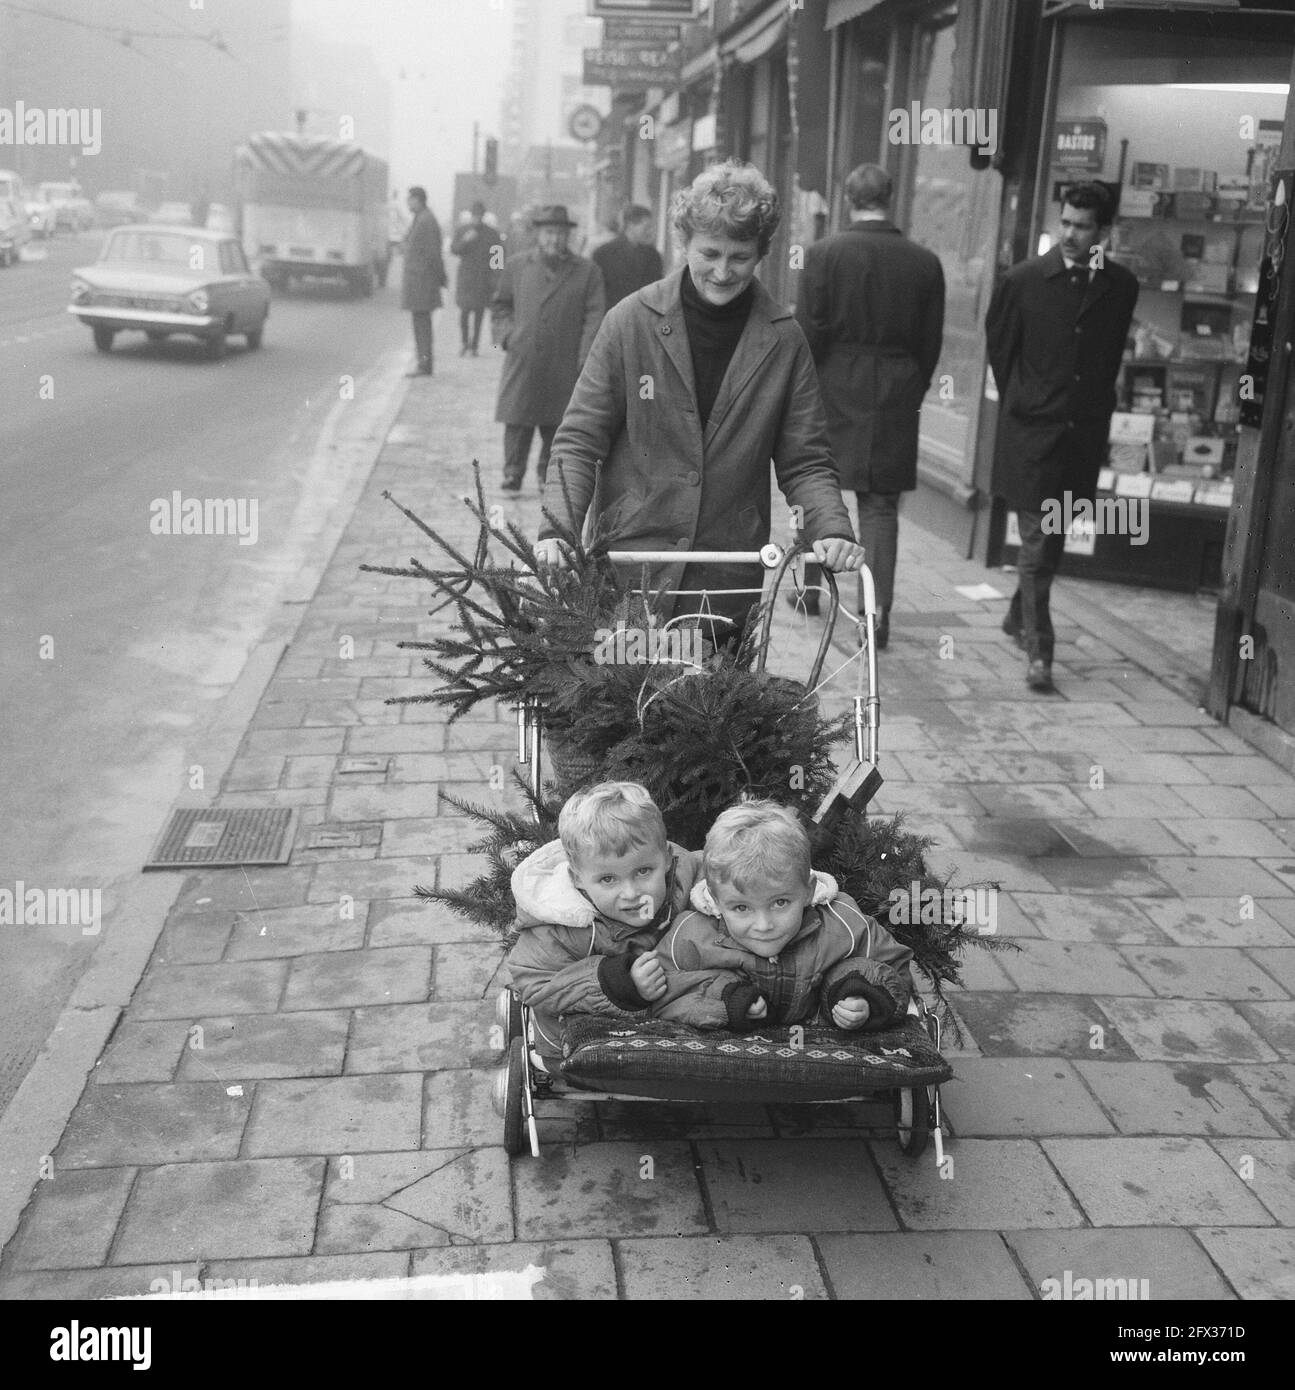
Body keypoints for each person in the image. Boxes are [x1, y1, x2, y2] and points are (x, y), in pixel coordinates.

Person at [537, 159, 864, 648]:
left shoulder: (784, 340)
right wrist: (558, 531)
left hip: (725, 579)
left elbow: (806, 459)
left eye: (740, 256)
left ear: (762, 254)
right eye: (709, 252)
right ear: (683, 244)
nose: (723, 271)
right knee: (625, 715)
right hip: (632, 570)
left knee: (712, 719)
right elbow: (580, 440)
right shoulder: (631, 322)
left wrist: (832, 526)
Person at [987, 180, 1138, 692]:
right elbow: (1002, 354)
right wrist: (1028, 402)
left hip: (1081, 438)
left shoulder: (1121, 286)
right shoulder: (1023, 281)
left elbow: (1108, 360)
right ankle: (1040, 652)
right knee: (1035, 545)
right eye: (1065, 223)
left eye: (1082, 226)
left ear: (1104, 232)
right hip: (1032, 434)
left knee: (1049, 541)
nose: (1070, 234)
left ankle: (1015, 616)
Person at [794, 164, 945, 648]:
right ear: (892, 198)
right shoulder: (925, 262)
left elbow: (808, 332)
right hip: (897, 389)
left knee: (819, 489)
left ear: (846, 199)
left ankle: (810, 589)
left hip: (834, 382)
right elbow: (931, 342)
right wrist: (910, 385)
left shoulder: (822, 255)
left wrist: (807, 390)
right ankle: (873, 620)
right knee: (880, 508)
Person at [652, 800, 914, 1032]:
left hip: (819, 1066)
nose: (764, 925)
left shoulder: (842, 923)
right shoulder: (692, 934)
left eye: (780, 903)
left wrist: (867, 998)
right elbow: (661, 991)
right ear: (716, 900)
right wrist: (726, 998)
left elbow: (896, 968)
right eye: (741, 908)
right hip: (730, 1072)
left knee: (854, 972)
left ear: (808, 891)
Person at [504, 782, 699, 1068]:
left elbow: (722, 870)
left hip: (667, 1026)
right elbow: (531, 982)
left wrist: (713, 895)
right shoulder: (562, 925)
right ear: (578, 879)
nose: (631, 893)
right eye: (608, 879)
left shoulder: (686, 879)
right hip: (572, 1045)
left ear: (667, 860)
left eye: (643, 871)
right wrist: (616, 982)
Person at [491, 204, 605, 493]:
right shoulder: (517, 266)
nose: (554, 239)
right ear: (539, 235)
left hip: (564, 362)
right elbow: (501, 305)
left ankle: (547, 475)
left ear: (568, 236)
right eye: (549, 233)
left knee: (558, 424)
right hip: (523, 359)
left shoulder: (587, 272)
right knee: (517, 419)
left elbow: (594, 317)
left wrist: (584, 359)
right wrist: (506, 337)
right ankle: (512, 473)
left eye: (560, 234)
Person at [400, 186, 447, 377]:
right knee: (420, 323)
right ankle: (423, 362)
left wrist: (441, 276)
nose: (408, 203)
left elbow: (433, 253)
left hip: (422, 282)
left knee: (422, 325)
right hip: (420, 281)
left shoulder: (425, 221)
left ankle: (424, 364)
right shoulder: (422, 219)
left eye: (410, 199)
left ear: (418, 200)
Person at [451, 200, 504, 357]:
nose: (477, 218)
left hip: (483, 279)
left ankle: (474, 346)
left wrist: (496, 279)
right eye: (474, 215)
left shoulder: (492, 234)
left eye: (479, 215)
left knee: (479, 314)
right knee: (464, 313)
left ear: (483, 216)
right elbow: (454, 249)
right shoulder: (463, 231)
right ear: (471, 215)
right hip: (466, 279)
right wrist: (465, 240)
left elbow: (498, 258)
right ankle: (464, 343)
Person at [592, 204, 664, 309]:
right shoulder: (603, 253)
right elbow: (596, 294)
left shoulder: (653, 256)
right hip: (612, 316)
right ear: (630, 225)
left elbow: (657, 291)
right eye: (646, 227)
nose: (650, 231)